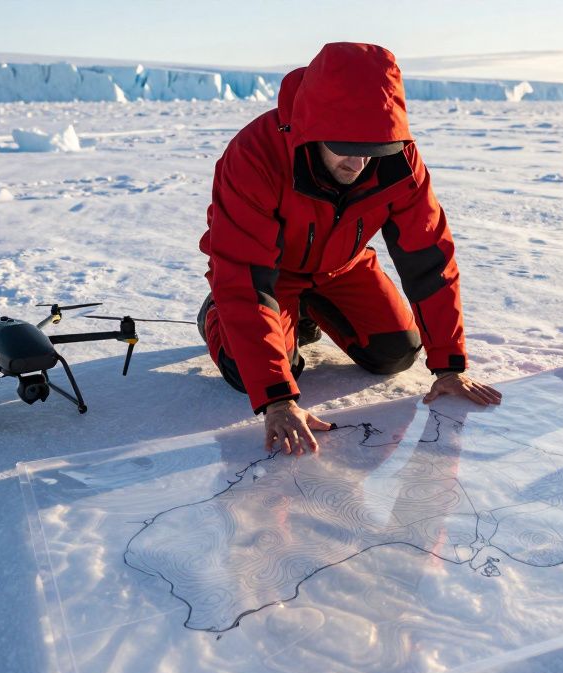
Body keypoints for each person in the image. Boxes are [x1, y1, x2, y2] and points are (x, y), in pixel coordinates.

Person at [197, 42, 501, 456]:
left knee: (395, 353)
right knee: (253, 373)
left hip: (343, 267)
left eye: (372, 152)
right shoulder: (255, 155)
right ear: (312, 129)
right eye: (345, 148)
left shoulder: (400, 158)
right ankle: (215, 315)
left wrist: (449, 365)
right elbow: (244, 276)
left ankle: (307, 311)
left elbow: (429, 258)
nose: (358, 165)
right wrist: (277, 400)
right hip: (270, 275)